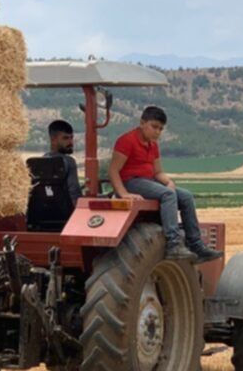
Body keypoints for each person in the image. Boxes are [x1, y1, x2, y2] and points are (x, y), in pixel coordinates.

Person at [108, 105, 220, 263]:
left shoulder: (153, 145)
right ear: (142, 123)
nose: (157, 132)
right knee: (167, 194)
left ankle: (196, 245)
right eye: (154, 127)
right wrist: (123, 194)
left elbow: (158, 172)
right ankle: (173, 244)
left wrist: (168, 182)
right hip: (131, 181)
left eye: (161, 129)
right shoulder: (127, 141)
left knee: (186, 196)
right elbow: (113, 170)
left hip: (148, 181)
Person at [47, 119, 82, 206]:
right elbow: (74, 193)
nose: (70, 142)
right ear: (53, 140)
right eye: (65, 138)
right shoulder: (69, 162)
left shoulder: (41, 161)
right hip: (66, 215)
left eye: (71, 138)